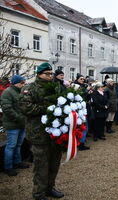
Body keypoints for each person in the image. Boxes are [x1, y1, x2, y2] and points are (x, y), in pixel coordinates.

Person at [19, 62, 64, 200]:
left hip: (55, 132)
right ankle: (39, 193)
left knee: (54, 162)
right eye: (47, 74)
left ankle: (50, 188)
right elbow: (25, 107)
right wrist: (47, 109)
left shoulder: (55, 88)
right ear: (39, 74)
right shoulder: (29, 88)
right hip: (38, 132)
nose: (50, 76)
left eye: (51, 74)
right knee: (41, 165)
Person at [1, 75, 28, 177]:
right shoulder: (7, 92)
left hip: (21, 123)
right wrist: (19, 118)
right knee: (11, 146)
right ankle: (8, 167)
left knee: (18, 144)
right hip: (12, 124)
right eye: (22, 83)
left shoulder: (19, 91)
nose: (23, 84)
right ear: (16, 83)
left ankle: (17, 162)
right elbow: (7, 109)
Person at [71, 74, 90, 150]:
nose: (82, 80)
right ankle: (80, 143)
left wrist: (88, 93)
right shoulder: (75, 86)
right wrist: (86, 91)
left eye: (83, 79)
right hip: (79, 110)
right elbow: (79, 96)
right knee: (83, 127)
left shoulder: (83, 86)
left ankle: (80, 142)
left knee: (84, 127)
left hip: (84, 109)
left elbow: (86, 98)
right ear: (77, 79)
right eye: (81, 79)